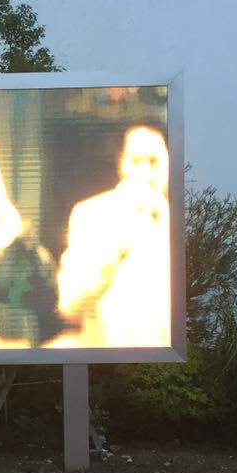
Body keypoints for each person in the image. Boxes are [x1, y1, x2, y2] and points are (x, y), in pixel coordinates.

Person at [54, 124, 172, 347]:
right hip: (109, 357)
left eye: (153, 161)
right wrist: (112, 256)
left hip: (167, 359)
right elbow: (68, 305)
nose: (145, 171)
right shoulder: (91, 214)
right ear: (122, 164)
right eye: (136, 161)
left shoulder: (183, 220)